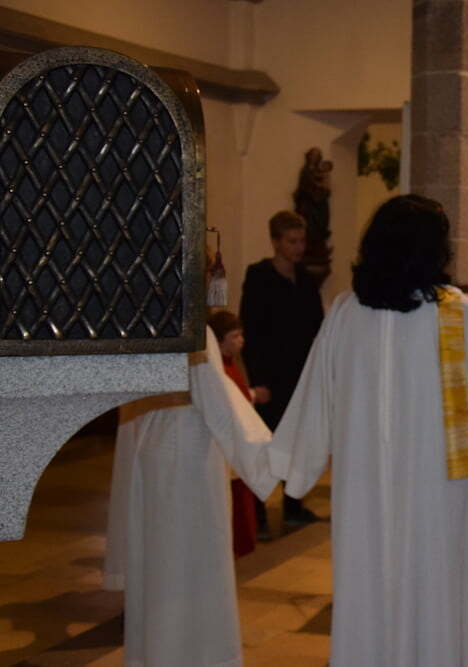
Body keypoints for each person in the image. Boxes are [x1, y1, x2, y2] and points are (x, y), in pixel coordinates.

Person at [265, 195, 468, 667]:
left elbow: (312, 404)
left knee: (371, 596)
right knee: (436, 605)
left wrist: (279, 462)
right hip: (436, 501)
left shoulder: (344, 313)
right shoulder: (452, 312)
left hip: (365, 498)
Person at [107, 330, 277, 666]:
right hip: (188, 450)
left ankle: (155, 653)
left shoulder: (138, 318)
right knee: (193, 565)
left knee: (159, 565)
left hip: (151, 441)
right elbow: (214, 393)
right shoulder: (189, 319)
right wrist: (271, 459)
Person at [240, 210, 325, 536]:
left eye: (302, 241)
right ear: (275, 242)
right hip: (270, 374)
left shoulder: (306, 279)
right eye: (292, 241)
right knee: (266, 443)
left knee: (298, 442)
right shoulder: (259, 276)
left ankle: (293, 505)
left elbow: (316, 326)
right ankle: (258, 515)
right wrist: (258, 380)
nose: (299, 248)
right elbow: (252, 331)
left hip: (300, 373)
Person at [208, 310, 272, 558]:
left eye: (241, 335)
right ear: (219, 340)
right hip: (229, 450)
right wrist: (254, 395)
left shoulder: (232, 363)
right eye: (234, 336)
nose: (241, 341)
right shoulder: (217, 368)